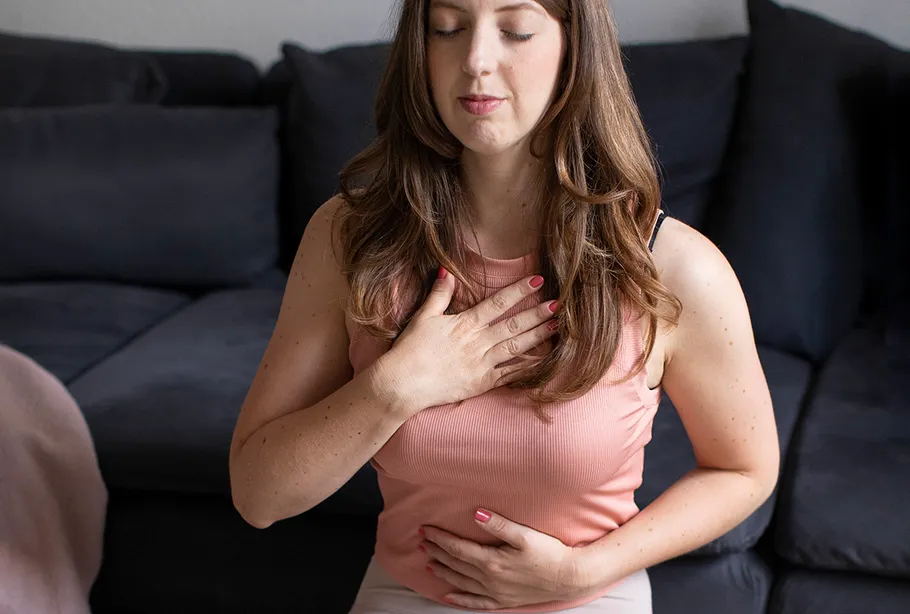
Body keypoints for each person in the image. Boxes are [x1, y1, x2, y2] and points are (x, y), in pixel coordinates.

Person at [229, 0, 780, 612]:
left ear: (576, 49)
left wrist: (585, 570)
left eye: (516, 30)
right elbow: (258, 496)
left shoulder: (672, 264)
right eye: (448, 28)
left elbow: (744, 470)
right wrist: (394, 389)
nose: (476, 62)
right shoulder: (348, 238)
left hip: (590, 593)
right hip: (407, 592)